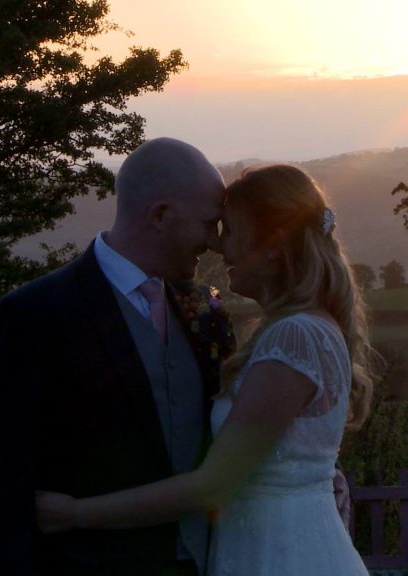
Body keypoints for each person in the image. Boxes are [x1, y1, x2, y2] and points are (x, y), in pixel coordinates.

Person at [36, 164, 374, 575]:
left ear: (272, 244)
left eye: (229, 230)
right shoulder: (299, 330)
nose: (217, 245)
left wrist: (74, 513)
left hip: (279, 554)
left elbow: (212, 485)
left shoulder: (296, 337)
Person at [0, 137, 233, 576]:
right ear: (160, 215)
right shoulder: (35, 314)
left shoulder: (206, 309)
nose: (216, 243)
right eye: (208, 224)